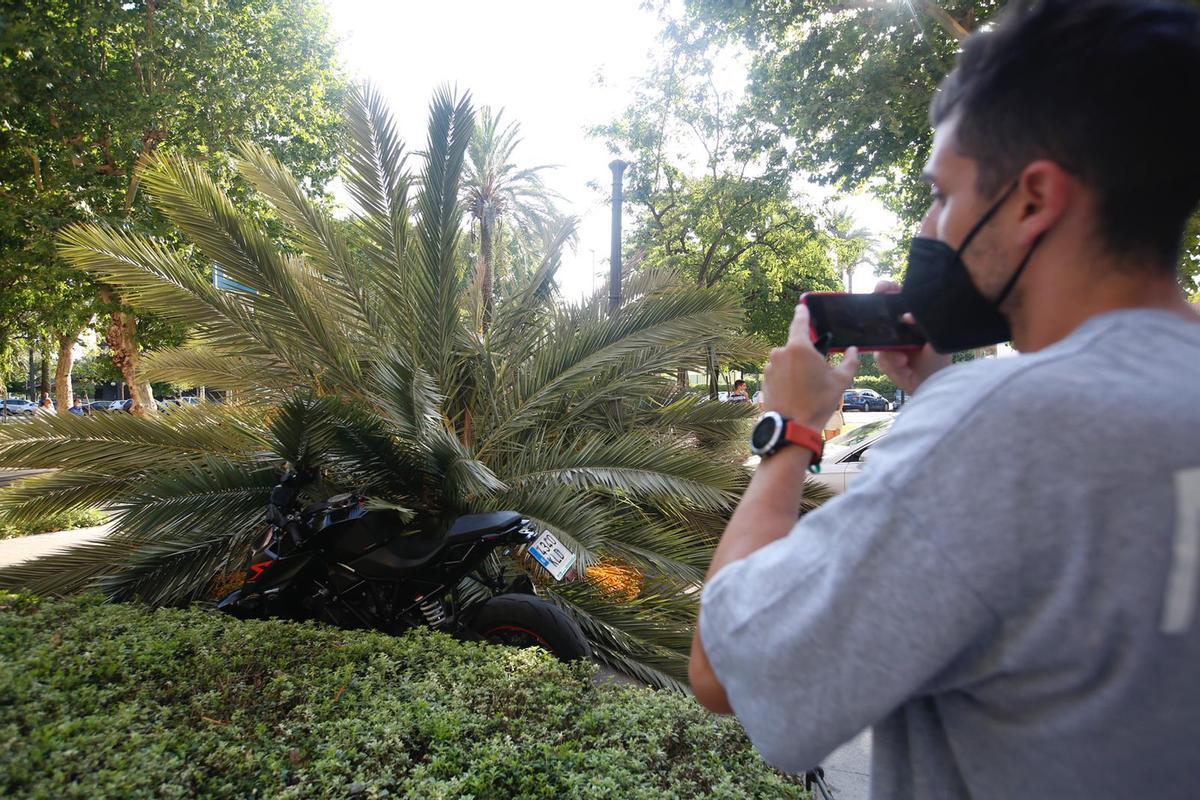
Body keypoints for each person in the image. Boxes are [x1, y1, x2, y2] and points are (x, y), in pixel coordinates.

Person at [689, 2, 1200, 797]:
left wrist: (789, 429)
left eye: (940, 192)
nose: (931, 224)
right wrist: (936, 387)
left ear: (1033, 199)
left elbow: (727, 669)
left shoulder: (1000, 431)